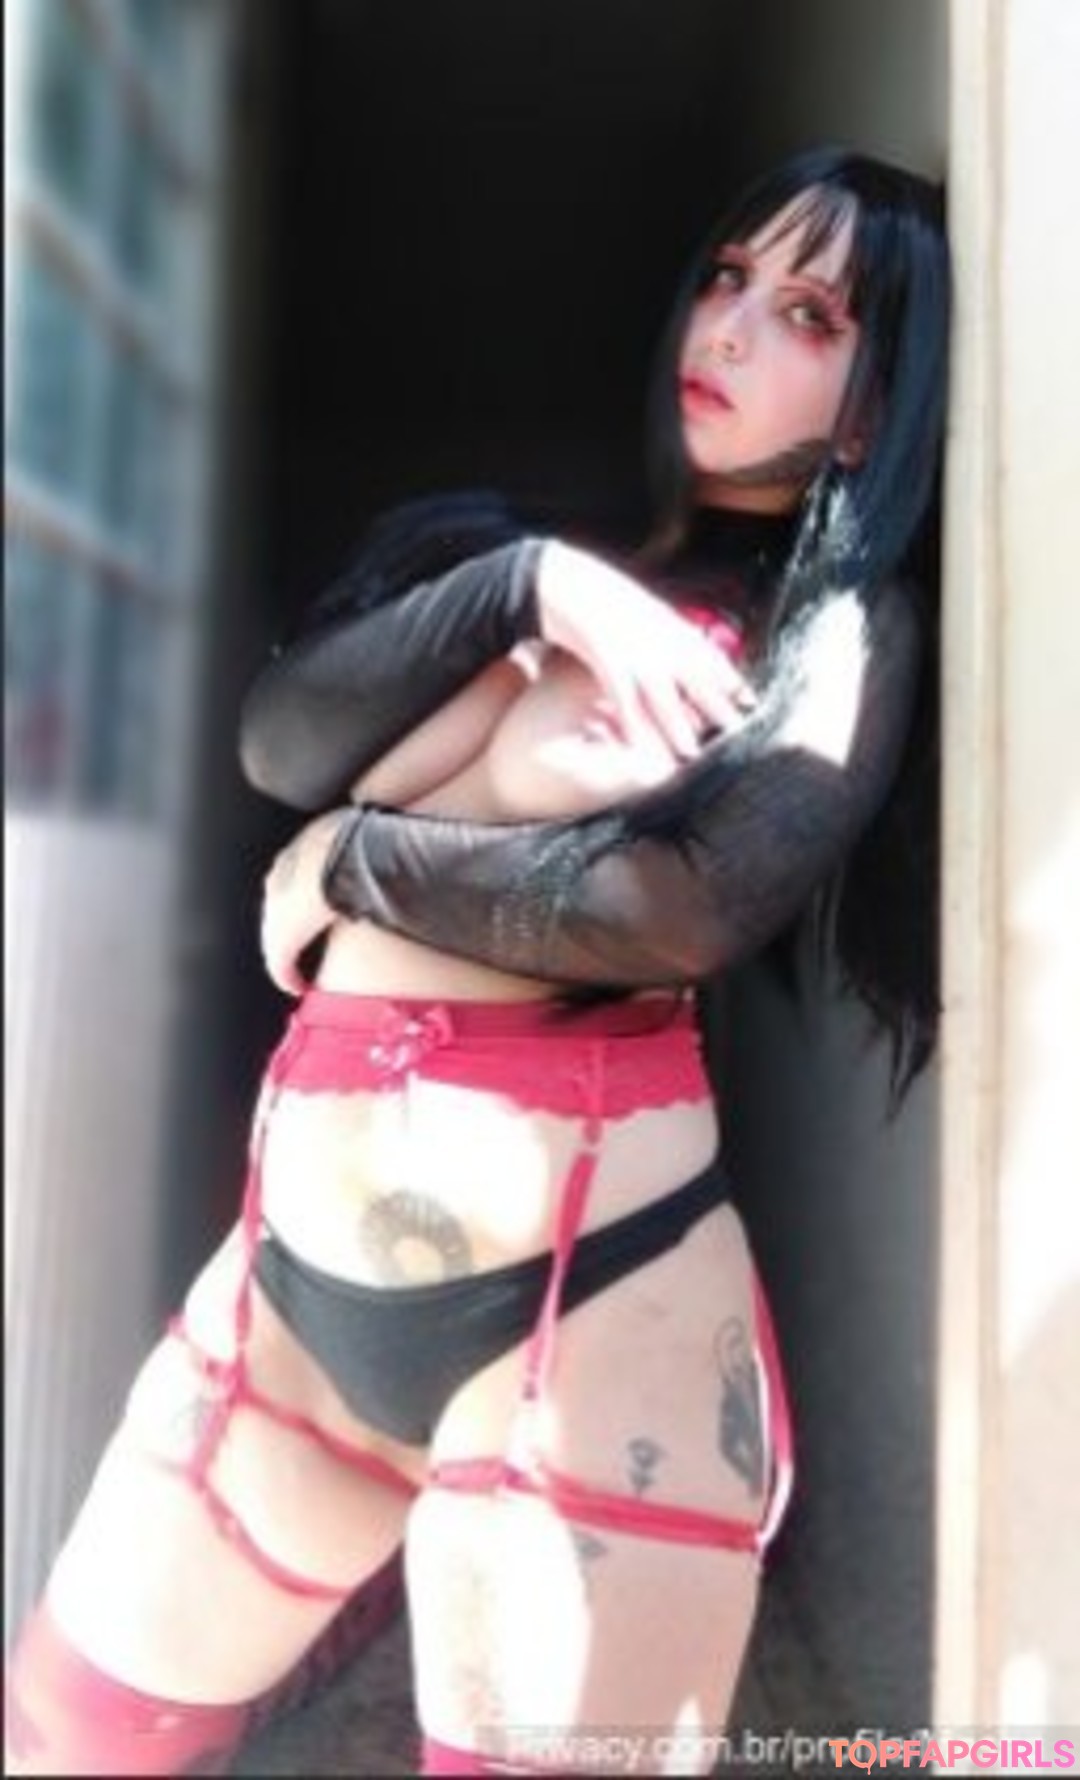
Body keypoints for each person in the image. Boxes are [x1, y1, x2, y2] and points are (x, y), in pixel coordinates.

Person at [5, 146, 949, 1777]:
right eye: (728, 280)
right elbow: (284, 741)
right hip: (292, 1302)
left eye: (809, 314)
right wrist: (527, 584)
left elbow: (678, 908)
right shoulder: (523, 564)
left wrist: (350, 867)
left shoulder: (831, 635)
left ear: (870, 417)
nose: (730, 327)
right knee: (68, 1724)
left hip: (587, 1315)